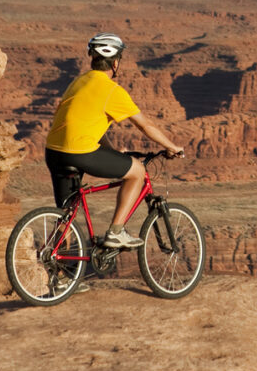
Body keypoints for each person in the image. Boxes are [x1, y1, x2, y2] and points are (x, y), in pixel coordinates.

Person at [45, 32, 184, 250]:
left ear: (93, 59)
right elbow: (145, 125)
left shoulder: (79, 81)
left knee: (66, 213)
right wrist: (171, 146)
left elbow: (85, 123)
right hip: (80, 152)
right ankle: (116, 232)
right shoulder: (112, 91)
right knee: (137, 172)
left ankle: (62, 277)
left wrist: (112, 152)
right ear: (116, 63)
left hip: (54, 152)